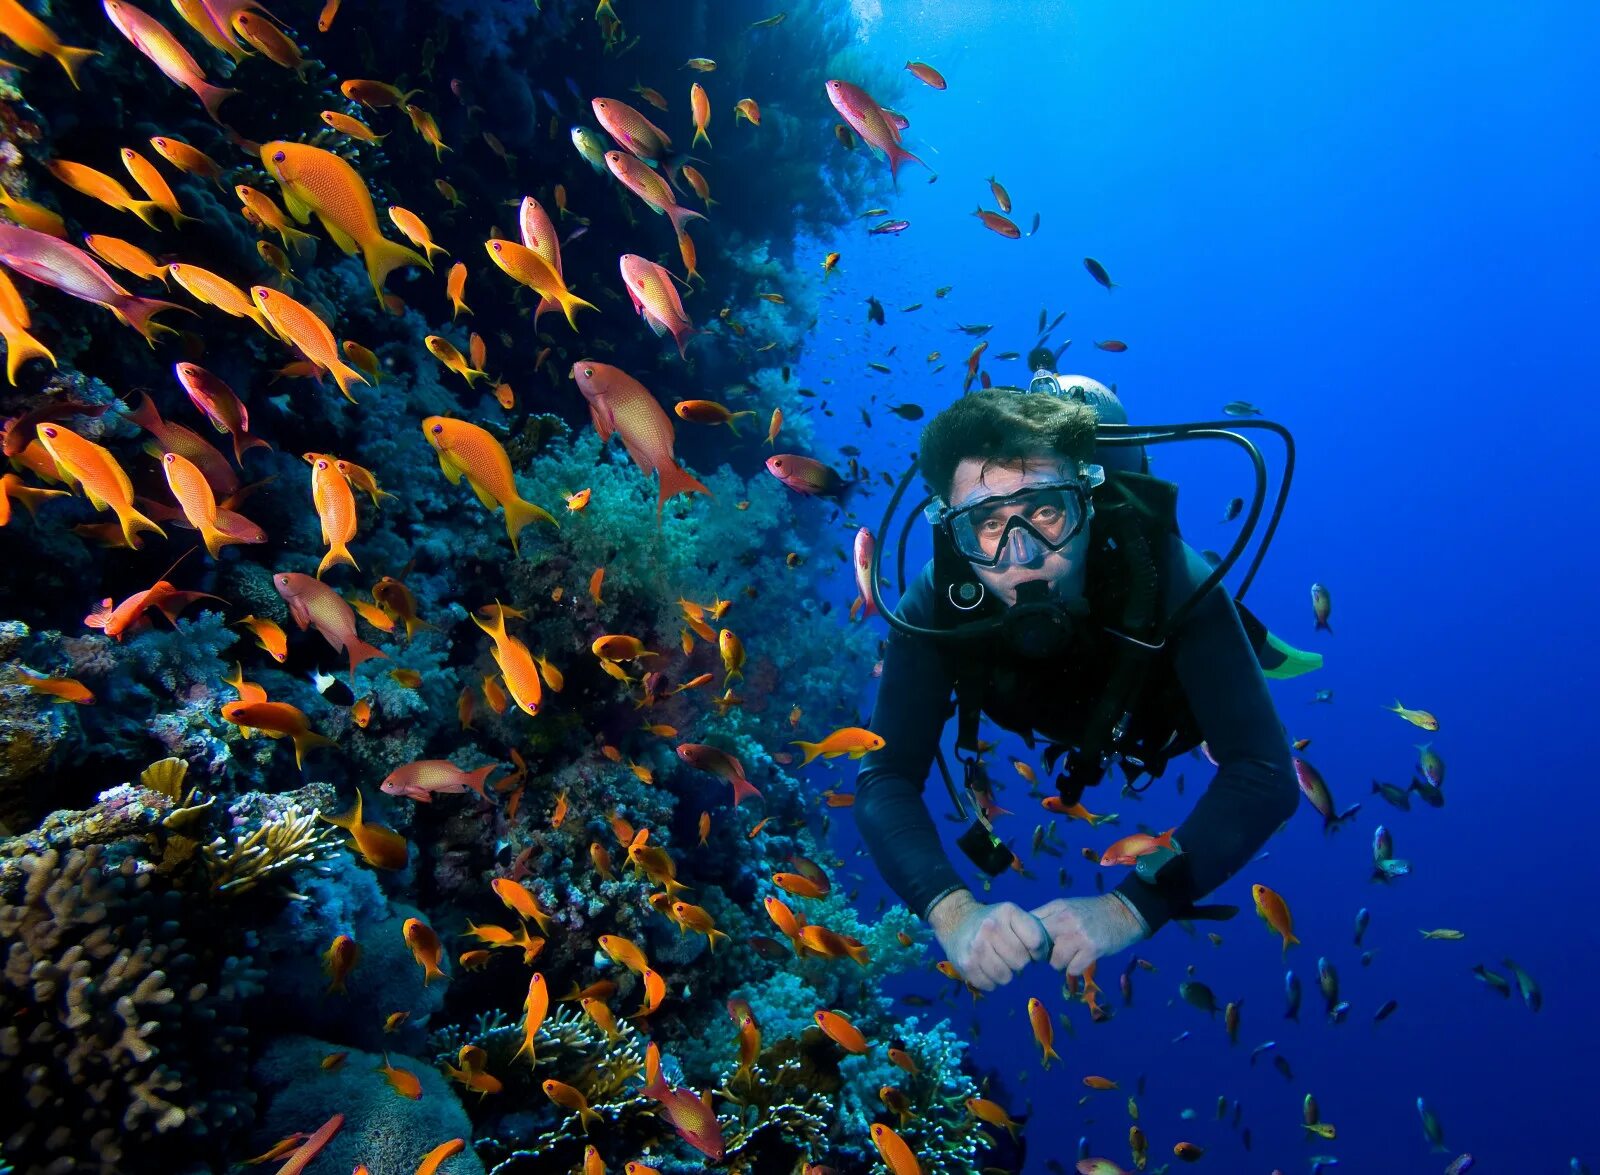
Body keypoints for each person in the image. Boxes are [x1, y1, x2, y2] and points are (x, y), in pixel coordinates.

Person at [854, 379, 1300, 991]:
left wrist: (1129, 908)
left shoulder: (1166, 573)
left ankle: (1243, 662)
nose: (1023, 554)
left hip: (1157, 712)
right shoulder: (936, 600)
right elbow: (884, 775)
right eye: (987, 524)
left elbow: (1265, 774)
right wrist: (951, 912)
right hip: (1062, 712)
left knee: (1223, 727)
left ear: (1087, 505)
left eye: (1045, 511)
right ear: (955, 532)